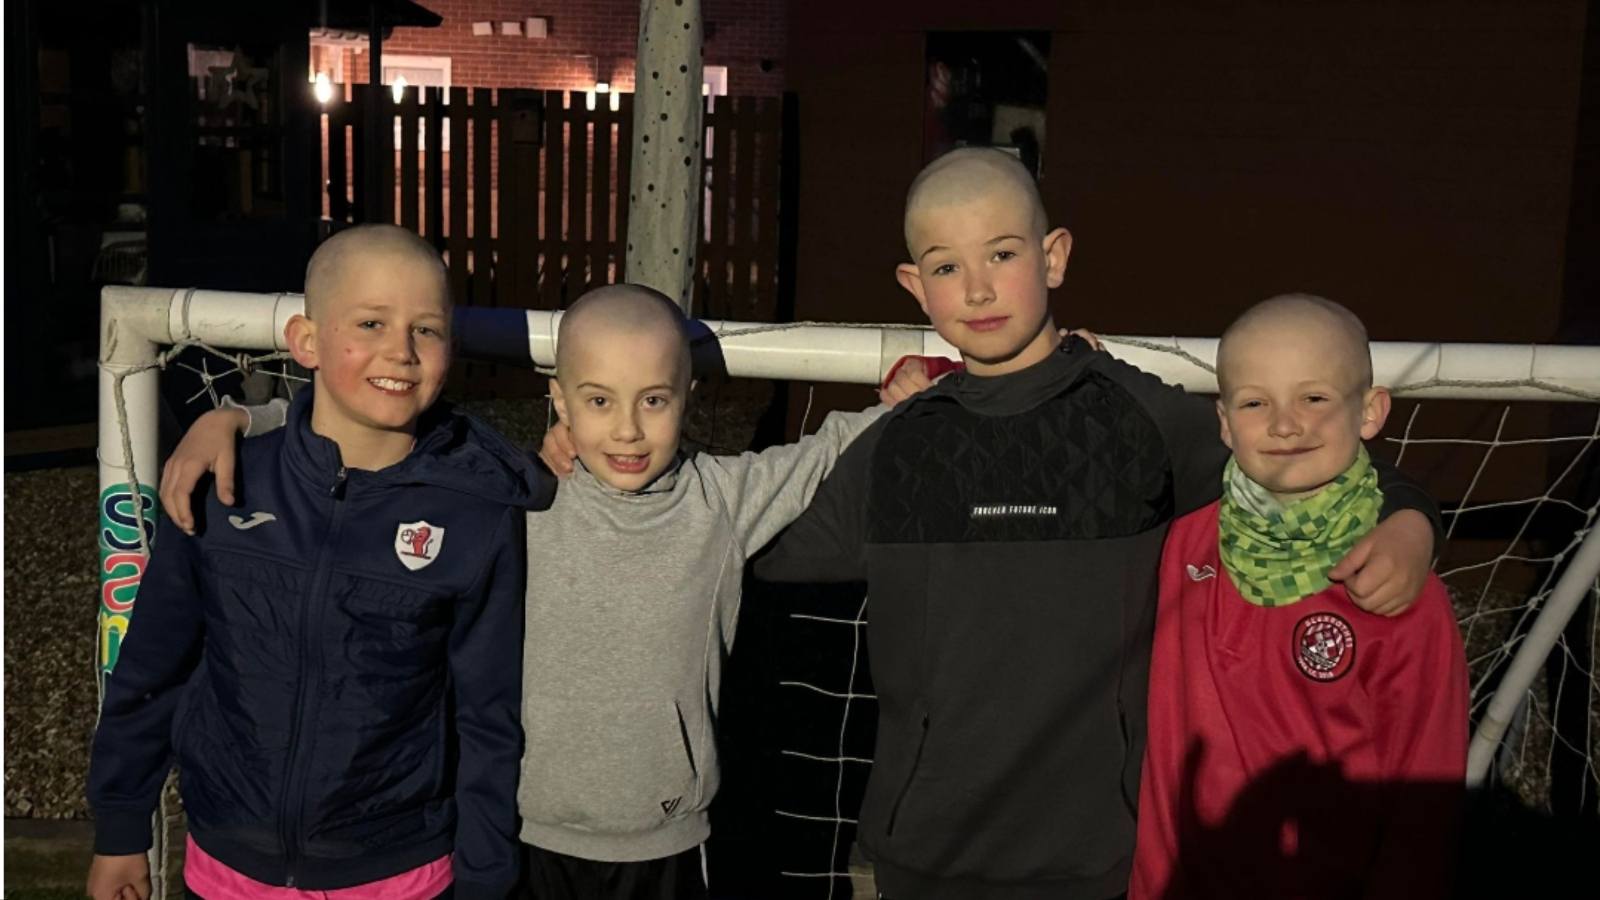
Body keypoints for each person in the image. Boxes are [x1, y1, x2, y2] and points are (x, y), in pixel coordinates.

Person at [752, 148, 1443, 900]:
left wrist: (1411, 516)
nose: (978, 287)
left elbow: (1297, 463)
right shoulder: (894, 447)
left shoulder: (1142, 421)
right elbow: (747, 544)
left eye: (1003, 254)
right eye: (947, 268)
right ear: (916, 287)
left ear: (1054, 257)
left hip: (1095, 861)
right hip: (917, 854)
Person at [158, 283, 935, 900]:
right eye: (598, 401)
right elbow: (379, 420)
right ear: (558, 402)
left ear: (688, 397)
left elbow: (829, 448)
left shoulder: (722, 501)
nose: (627, 429)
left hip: (664, 839)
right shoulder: (520, 488)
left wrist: (905, 402)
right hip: (522, 833)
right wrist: (246, 414)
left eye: (653, 400)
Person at [86, 225, 542, 900]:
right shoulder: (220, 483)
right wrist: (121, 827)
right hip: (229, 864)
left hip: (402, 870)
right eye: (370, 322)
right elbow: (154, 665)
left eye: (427, 330)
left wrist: (485, 877)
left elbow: (487, 717)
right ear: (306, 341)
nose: (401, 351)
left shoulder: (476, 515)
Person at [1128, 295, 1468, 900]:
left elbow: (1425, 796)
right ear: (1226, 423)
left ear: (1370, 411)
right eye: (1257, 402)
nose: (1286, 424)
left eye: (1313, 398)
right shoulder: (1182, 542)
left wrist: (1414, 520)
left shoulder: (1399, 586)